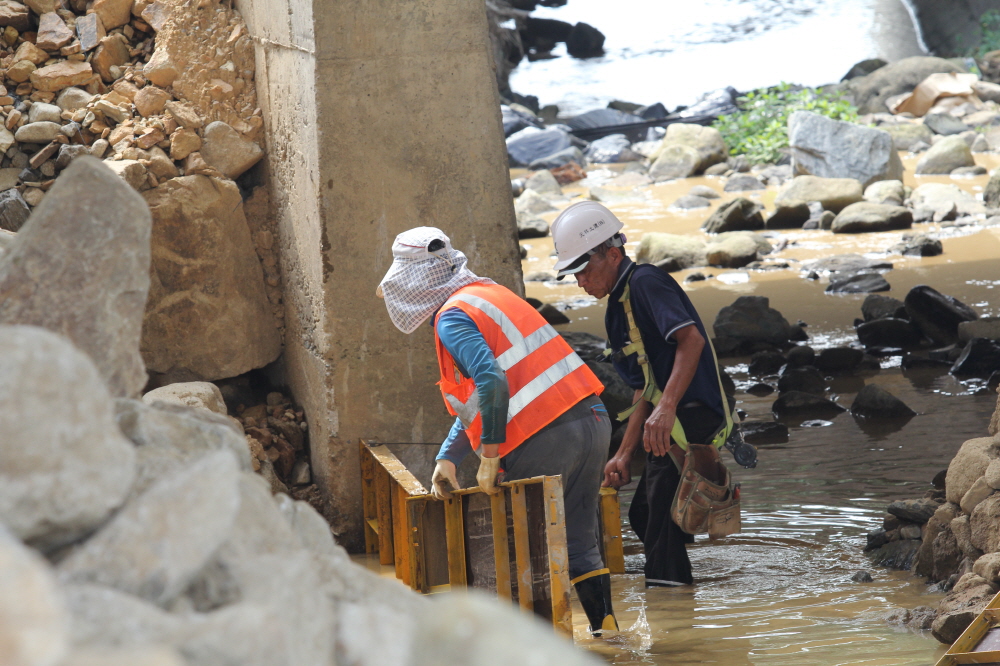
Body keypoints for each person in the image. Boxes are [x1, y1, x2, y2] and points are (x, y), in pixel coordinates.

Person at [377, 226, 619, 633]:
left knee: (518, 558)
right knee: (580, 542)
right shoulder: (492, 295)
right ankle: (611, 638)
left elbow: (491, 381)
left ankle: (530, 652)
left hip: (543, 439)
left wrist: (489, 455)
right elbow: (483, 397)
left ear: (414, 284)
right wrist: (448, 458)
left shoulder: (452, 317)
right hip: (593, 421)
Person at [550, 201, 732, 588]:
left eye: (583, 269)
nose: (580, 282)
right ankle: (680, 585)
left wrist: (666, 408)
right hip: (667, 418)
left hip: (690, 413)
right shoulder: (617, 308)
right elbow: (642, 388)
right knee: (644, 515)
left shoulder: (648, 282)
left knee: (659, 524)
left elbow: (691, 339)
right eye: (574, 275)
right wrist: (624, 452)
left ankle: (672, 614)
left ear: (613, 254)